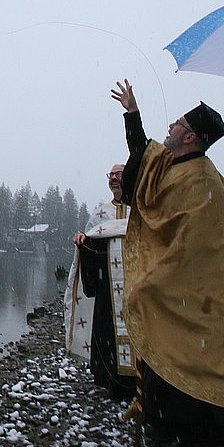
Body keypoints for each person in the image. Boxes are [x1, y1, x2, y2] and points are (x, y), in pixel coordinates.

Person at [111, 78, 224, 447]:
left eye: (177, 124)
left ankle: (213, 441)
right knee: (166, 355)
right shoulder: (175, 165)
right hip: (174, 287)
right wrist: (132, 115)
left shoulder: (204, 179)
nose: (170, 128)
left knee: (196, 361)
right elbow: (142, 169)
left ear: (191, 137)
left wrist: (156, 279)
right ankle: (169, 427)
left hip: (194, 294)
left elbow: (191, 245)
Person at [63, 164, 136, 398]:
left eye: (119, 174)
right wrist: (83, 243)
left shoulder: (141, 210)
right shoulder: (100, 215)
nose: (114, 179)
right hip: (108, 288)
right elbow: (92, 245)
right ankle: (109, 377)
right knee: (107, 330)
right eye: (111, 175)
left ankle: (140, 379)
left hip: (137, 285)